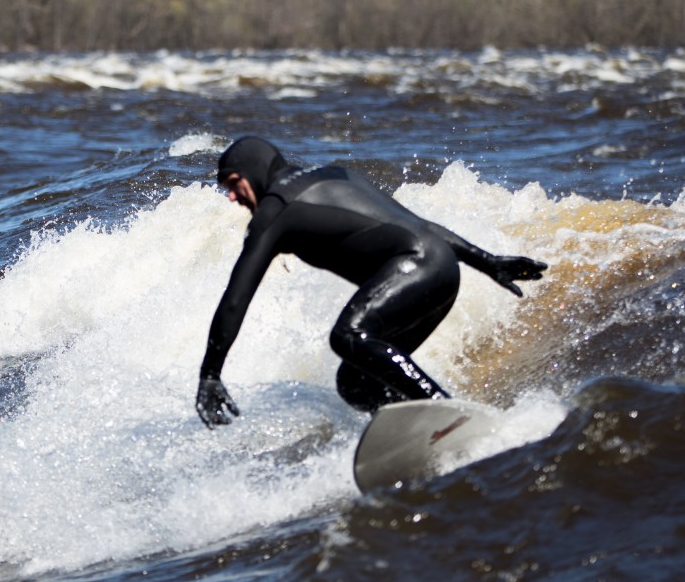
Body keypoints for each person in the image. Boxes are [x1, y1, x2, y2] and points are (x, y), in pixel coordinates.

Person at [195, 136, 546, 427]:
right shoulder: (337, 174)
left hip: (417, 268)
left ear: (253, 172)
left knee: (348, 335)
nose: (231, 196)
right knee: (355, 383)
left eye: (233, 184)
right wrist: (487, 261)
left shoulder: (274, 211)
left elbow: (235, 298)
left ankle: (447, 415)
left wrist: (210, 374)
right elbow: (421, 227)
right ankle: (422, 431)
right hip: (442, 271)